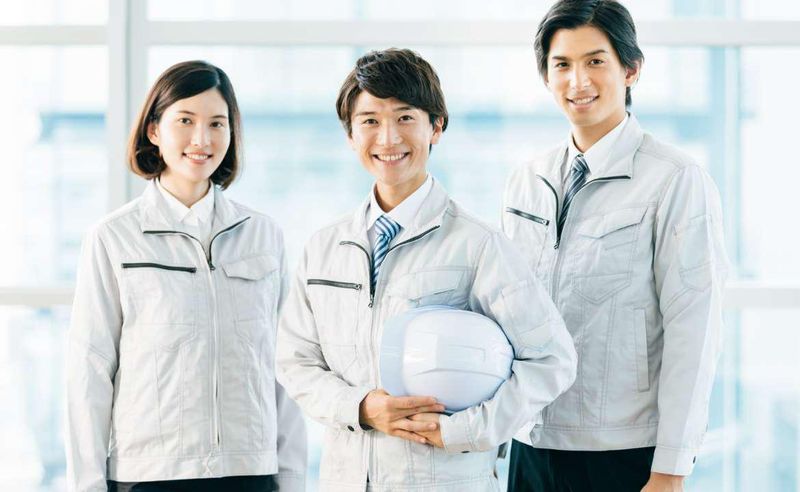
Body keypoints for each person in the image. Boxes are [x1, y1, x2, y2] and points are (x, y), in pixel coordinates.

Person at [275, 48, 577, 491]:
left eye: (405, 118)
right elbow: (295, 361)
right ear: (350, 134)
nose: (388, 138)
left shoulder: (478, 245)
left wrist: (463, 431)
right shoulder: (324, 248)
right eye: (370, 121)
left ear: (436, 126)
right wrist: (360, 408)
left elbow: (552, 360)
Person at [502, 1, 729, 490]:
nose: (578, 80)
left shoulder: (675, 179)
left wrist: (671, 469)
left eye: (595, 61)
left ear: (631, 69)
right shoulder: (528, 179)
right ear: (546, 76)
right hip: (530, 443)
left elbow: (694, 331)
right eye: (562, 64)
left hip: (622, 453)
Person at [66, 60, 306, 492]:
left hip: (249, 472)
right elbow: (90, 370)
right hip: (150, 476)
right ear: (154, 130)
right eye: (185, 121)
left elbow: (284, 367)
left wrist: (291, 479)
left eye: (217, 123)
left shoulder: (263, 235)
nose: (202, 139)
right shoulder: (114, 238)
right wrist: (88, 485)